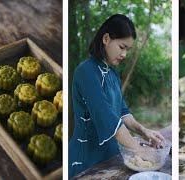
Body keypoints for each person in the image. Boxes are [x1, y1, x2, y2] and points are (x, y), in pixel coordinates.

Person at [69, 14, 165, 178]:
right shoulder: (86, 72)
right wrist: (140, 151)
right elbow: (106, 116)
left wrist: (144, 131)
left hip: (114, 154)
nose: (124, 54)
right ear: (106, 39)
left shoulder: (113, 73)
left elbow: (121, 110)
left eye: (128, 49)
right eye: (122, 47)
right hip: (87, 159)